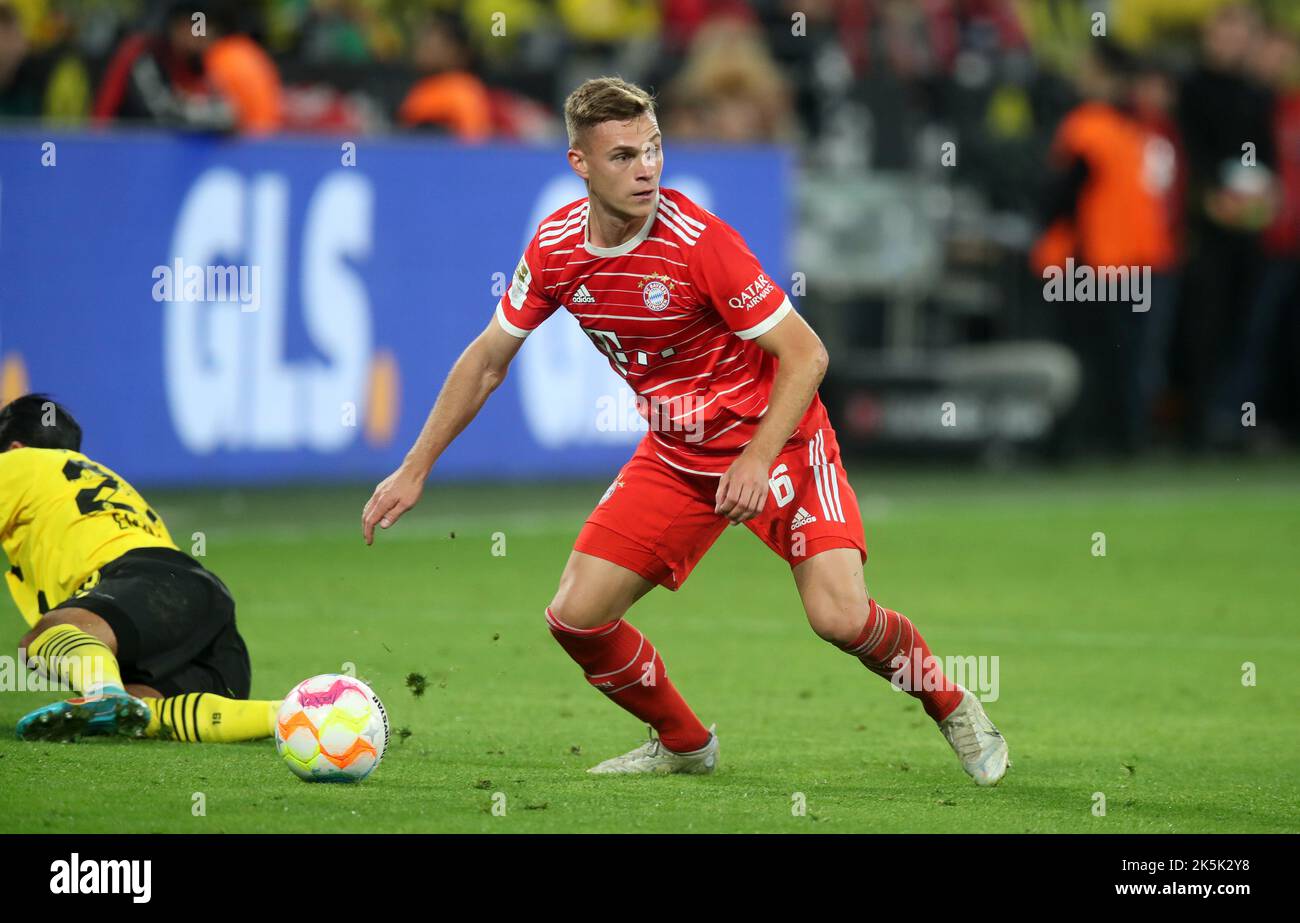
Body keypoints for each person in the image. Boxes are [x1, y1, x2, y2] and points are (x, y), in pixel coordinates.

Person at [362, 77, 1008, 784]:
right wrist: (415, 465)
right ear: (580, 165)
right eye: (624, 156)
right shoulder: (554, 250)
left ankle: (950, 703)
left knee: (839, 617)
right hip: (679, 457)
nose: (646, 169)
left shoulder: (700, 244)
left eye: (655, 149)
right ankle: (685, 742)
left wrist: (759, 458)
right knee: (576, 617)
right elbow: (487, 359)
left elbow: (807, 354)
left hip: (781, 441)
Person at [0, 394, 277, 743]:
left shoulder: (18, 465)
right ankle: (292, 714)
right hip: (203, 606)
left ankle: (103, 690)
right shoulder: (101, 481)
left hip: (141, 583)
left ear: (15, 447)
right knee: (138, 713)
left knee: (40, 640)